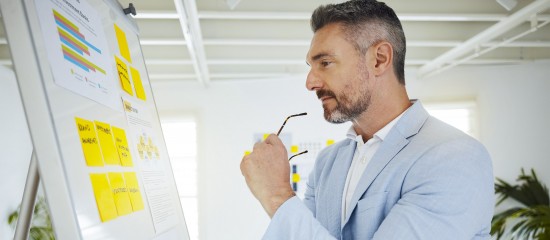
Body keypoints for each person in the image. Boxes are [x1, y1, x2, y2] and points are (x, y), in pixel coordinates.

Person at [240, 0, 494, 239]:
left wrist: (277, 194)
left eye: (325, 63)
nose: (310, 83)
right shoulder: (328, 162)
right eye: (311, 66)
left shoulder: (454, 158)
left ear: (379, 59)